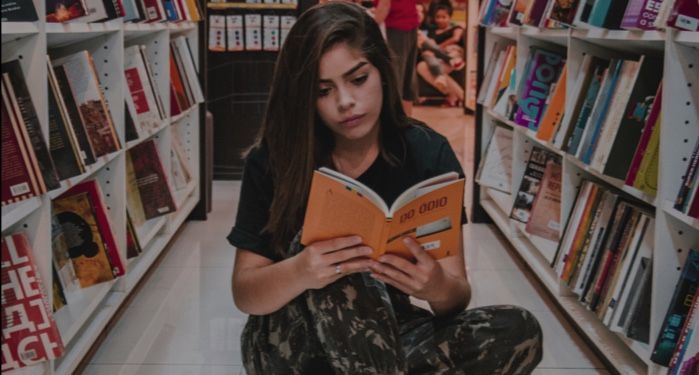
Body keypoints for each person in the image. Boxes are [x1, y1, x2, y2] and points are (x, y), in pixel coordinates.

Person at [228, 3, 543, 374]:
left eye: (358, 79)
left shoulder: (429, 153)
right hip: (290, 344)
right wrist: (302, 270)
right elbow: (245, 293)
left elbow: (456, 297)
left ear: (382, 72)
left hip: (385, 333)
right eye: (323, 90)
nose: (345, 101)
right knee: (346, 259)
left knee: (518, 329)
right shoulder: (273, 159)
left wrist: (435, 285)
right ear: (303, 97)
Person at [373, 0, 420, 115]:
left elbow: (385, 5)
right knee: (407, 79)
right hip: (411, 26)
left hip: (395, 29)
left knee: (394, 79)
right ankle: (407, 122)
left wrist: (370, 27)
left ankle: (396, 123)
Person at [416, 1, 465, 106]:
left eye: (444, 17)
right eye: (438, 17)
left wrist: (438, 49)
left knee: (429, 67)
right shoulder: (432, 31)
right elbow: (429, 45)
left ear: (450, 17)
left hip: (453, 56)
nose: (440, 20)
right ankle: (455, 95)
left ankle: (460, 96)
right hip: (435, 59)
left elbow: (456, 39)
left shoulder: (456, 28)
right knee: (421, 66)